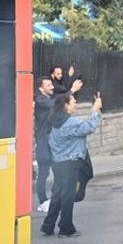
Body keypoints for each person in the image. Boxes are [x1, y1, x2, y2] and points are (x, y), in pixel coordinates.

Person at [41, 92, 103, 238]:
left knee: (57, 194)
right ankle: (66, 228)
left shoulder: (55, 120)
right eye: (73, 102)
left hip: (58, 162)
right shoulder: (70, 122)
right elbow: (90, 127)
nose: (75, 103)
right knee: (68, 195)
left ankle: (48, 225)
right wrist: (95, 110)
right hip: (70, 163)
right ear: (66, 106)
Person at [34, 76, 83, 212]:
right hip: (43, 140)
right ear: (40, 88)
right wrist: (72, 90)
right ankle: (43, 201)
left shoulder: (51, 98)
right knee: (43, 172)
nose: (52, 87)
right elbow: (57, 103)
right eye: (48, 85)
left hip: (52, 139)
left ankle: (55, 199)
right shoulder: (40, 100)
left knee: (58, 169)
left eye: (51, 84)